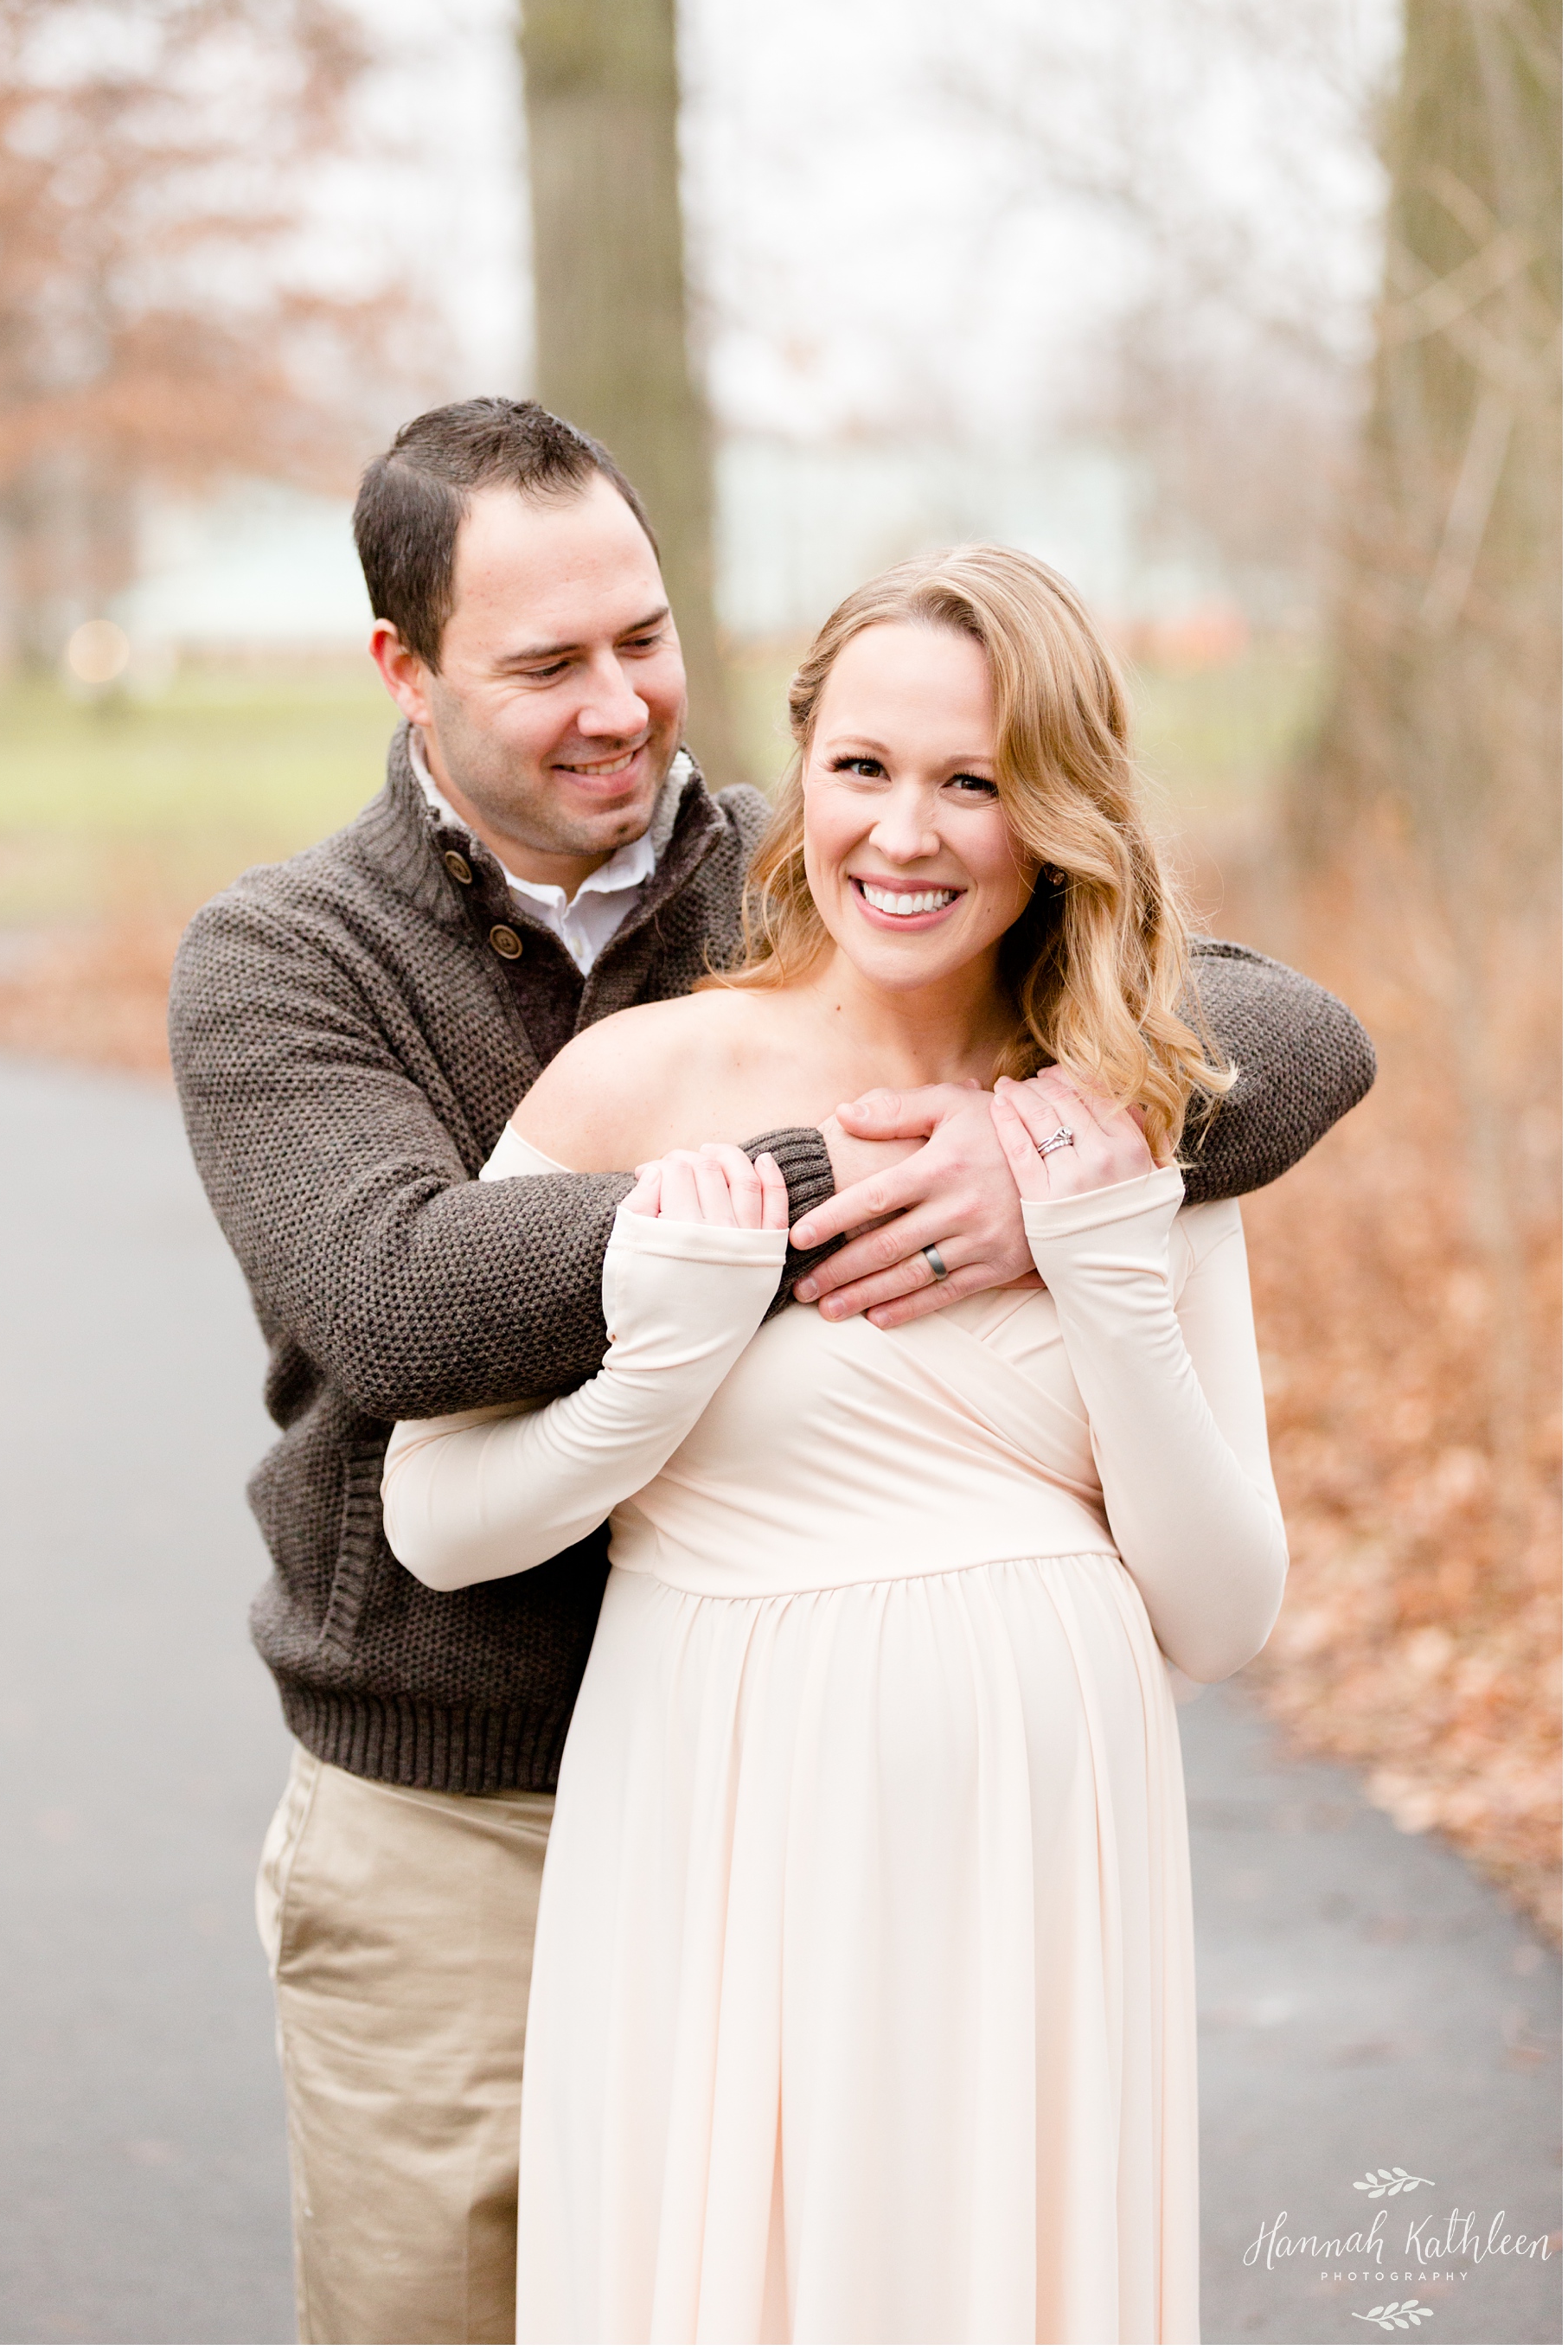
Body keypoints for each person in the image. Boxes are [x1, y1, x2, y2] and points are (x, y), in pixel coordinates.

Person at [169, 398, 1374, 2347]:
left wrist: (1061, 1134)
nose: (620, 704)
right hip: (468, 1782)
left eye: (642, 639)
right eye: (546, 664)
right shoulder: (289, 956)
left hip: (960, 1842)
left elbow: (1282, 1030)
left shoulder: (808, 850)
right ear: (403, 668)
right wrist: (846, 1162)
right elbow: (391, 1306)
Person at [382, 544, 1292, 2345]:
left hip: (1046, 1861)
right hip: (722, 1815)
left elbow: (1227, 1612)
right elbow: (437, 1522)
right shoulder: (638, 1087)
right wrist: (656, 1370)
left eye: (977, 781)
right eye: (867, 768)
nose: (910, 833)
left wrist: (1107, 1268)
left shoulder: (1132, 1111)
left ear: (1059, 812)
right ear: (798, 776)